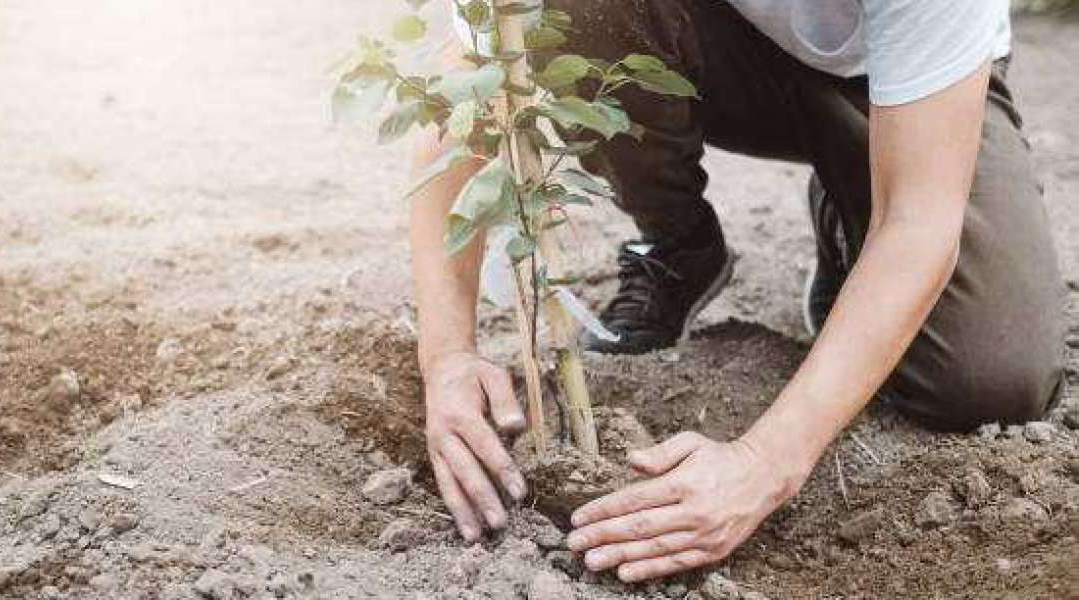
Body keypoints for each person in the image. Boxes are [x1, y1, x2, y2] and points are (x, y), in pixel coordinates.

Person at [408, 0, 1066, 583]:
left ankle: (854, 218)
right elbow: (465, 83)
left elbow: (920, 221)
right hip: (709, 43)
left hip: (900, 92)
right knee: (577, 8)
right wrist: (446, 356)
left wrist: (761, 464)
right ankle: (679, 244)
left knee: (989, 377)